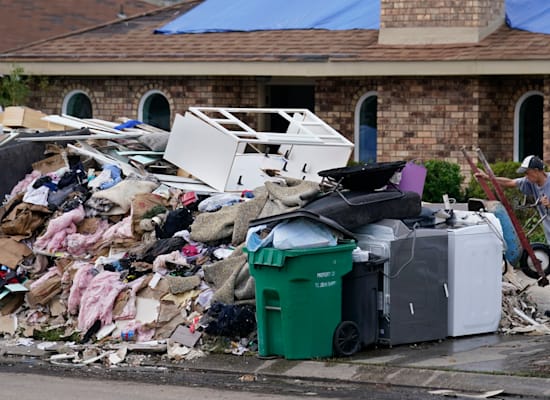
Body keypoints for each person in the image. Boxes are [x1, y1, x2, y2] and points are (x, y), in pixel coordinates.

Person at [475, 155, 550, 242]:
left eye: (527, 173)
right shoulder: (530, 182)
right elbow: (510, 182)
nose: (525, 176)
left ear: (536, 171)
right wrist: (488, 178)